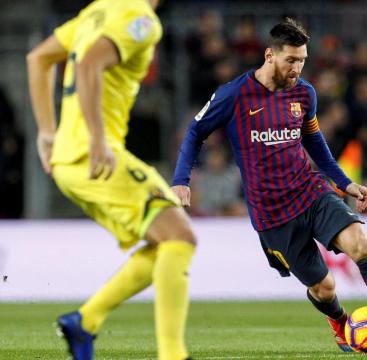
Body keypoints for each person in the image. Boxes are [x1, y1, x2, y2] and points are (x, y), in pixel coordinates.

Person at [171, 18, 367, 353]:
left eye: (302, 60)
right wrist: (181, 180)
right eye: (290, 60)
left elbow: (314, 141)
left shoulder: (304, 94)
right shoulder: (234, 95)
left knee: (361, 244)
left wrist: (344, 183)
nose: (297, 68)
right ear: (269, 55)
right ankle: (339, 322)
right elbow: (195, 131)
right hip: (272, 214)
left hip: (310, 192)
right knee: (323, 287)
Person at [27, 1, 196, 359]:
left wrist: (46, 133)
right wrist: (98, 139)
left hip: (69, 161)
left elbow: (38, 59)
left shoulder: (97, 10)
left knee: (166, 241)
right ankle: (172, 355)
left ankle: (85, 321)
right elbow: (89, 64)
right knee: (181, 237)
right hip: (95, 156)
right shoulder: (141, 19)